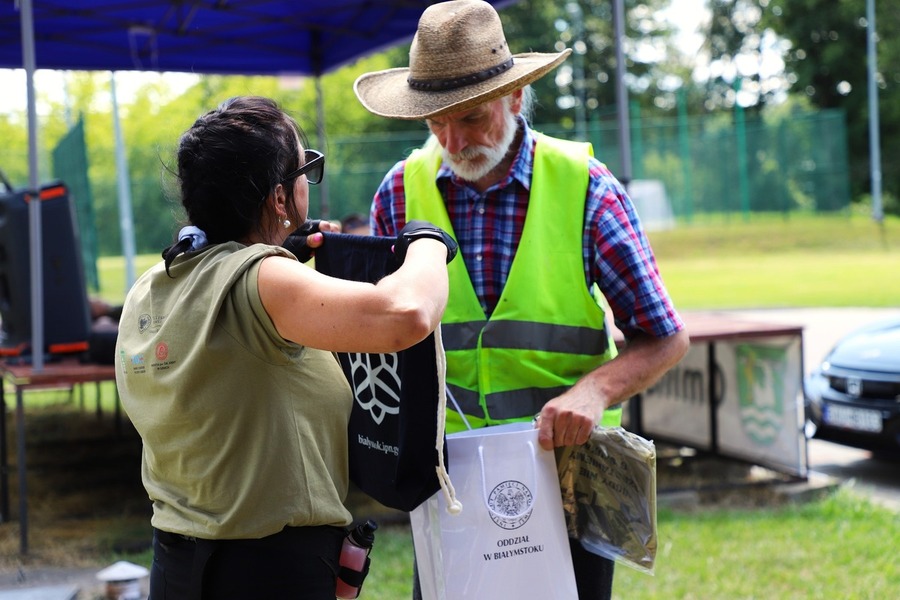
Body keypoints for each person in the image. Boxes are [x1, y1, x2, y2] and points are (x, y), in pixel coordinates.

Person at [353, 2, 690, 598]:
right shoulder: (399, 193)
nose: (454, 140)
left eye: (471, 118)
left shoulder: (586, 188)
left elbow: (665, 335)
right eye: (436, 121)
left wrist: (594, 391)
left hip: (569, 483)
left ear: (514, 97)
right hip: (448, 486)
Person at [114, 96, 456, 600]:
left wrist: (278, 258)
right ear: (279, 198)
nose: (307, 183)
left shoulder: (153, 285)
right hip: (269, 570)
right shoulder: (265, 282)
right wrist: (428, 241)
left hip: (177, 564)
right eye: (306, 169)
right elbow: (406, 316)